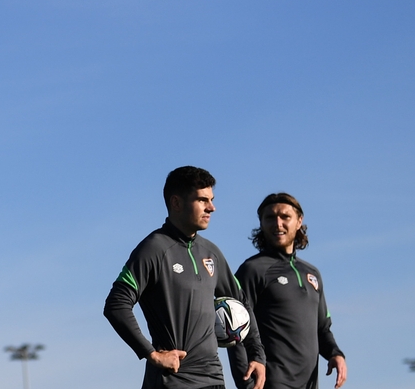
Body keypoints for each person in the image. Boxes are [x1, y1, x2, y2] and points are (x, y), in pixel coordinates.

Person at [104, 166, 266, 389]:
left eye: (211, 199)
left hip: (214, 380)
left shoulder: (212, 253)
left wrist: (257, 355)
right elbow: (116, 305)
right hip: (171, 381)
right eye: (202, 200)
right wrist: (151, 354)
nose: (212, 207)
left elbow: (242, 303)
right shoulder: (153, 249)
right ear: (176, 203)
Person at [227, 193, 347, 389]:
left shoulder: (312, 273)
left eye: (285, 217)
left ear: (299, 221)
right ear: (261, 223)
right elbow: (235, 332)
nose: (277, 223)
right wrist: (246, 384)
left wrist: (335, 354)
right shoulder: (252, 270)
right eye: (270, 218)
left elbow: (322, 329)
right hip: (270, 383)